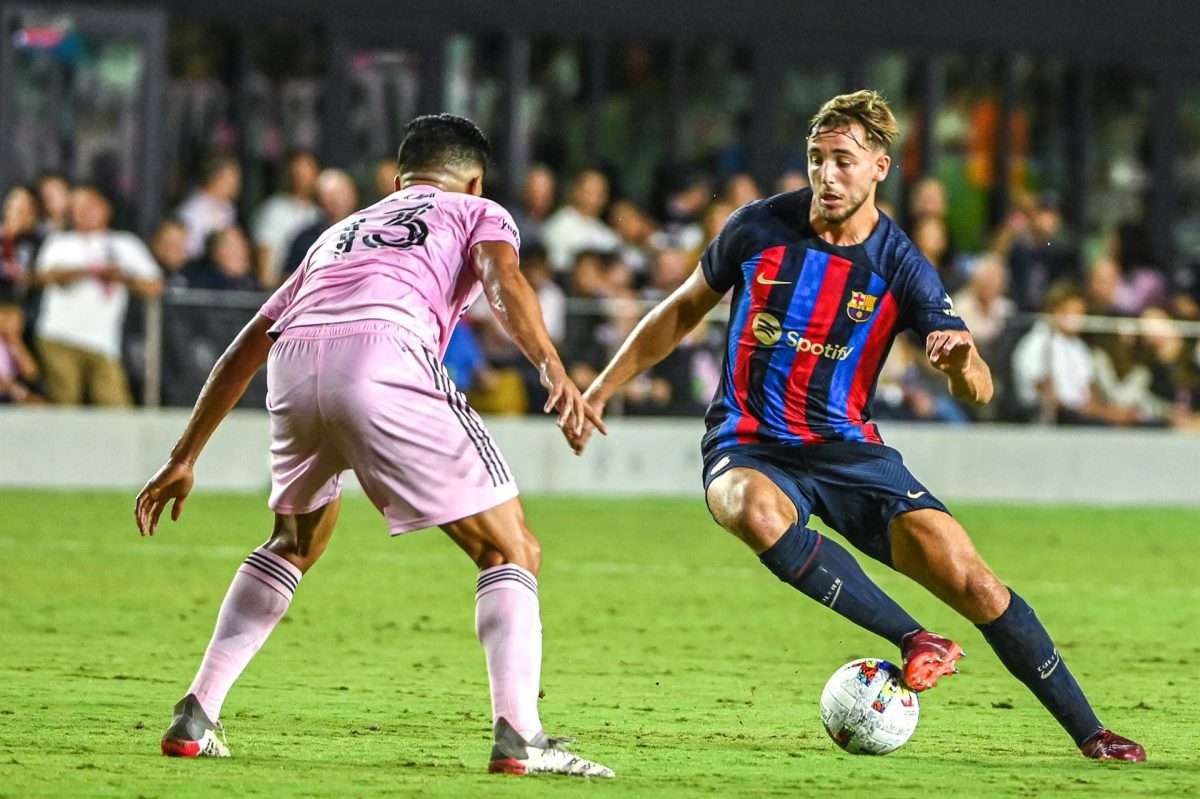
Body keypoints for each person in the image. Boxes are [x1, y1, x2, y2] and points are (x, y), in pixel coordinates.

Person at [565, 90, 1144, 762]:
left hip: (850, 452)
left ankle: (1090, 730)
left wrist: (959, 364)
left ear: (879, 168)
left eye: (842, 160)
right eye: (816, 159)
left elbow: (980, 386)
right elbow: (679, 310)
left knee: (976, 582)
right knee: (750, 508)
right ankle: (914, 637)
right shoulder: (757, 227)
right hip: (748, 441)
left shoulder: (901, 264)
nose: (826, 175)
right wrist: (601, 388)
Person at [134, 113, 614, 778]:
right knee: (511, 546)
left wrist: (184, 454)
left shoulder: (339, 231)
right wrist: (551, 362)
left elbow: (250, 339)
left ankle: (196, 712)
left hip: (296, 364)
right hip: (385, 351)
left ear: (397, 180)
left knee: (294, 541)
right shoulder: (477, 211)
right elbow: (501, 274)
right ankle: (520, 734)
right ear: (474, 180)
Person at [33, 185, 163, 405]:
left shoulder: (125, 243)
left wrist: (122, 277)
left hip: (104, 343)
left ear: (105, 208)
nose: (84, 212)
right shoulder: (61, 242)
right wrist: (89, 271)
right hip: (59, 336)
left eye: (90, 206)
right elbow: (44, 276)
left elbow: (155, 285)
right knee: (64, 404)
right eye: (77, 208)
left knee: (115, 405)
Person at [251, 151, 321, 288]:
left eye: (307, 170)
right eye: (298, 171)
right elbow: (265, 250)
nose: (302, 176)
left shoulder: (318, 213)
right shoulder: (275, 209)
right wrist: (268, 288)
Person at [281, 169, 359, 279]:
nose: (337, 200)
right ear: (319, 200)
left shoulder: (372, 230)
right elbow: (289, 282)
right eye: (330, 196)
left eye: (341, 193)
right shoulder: (305, 239)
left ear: (353, 194)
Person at [541, 168, 619, 272]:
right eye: (589, 191)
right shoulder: (558, 225)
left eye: (600, 192)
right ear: (576, 191)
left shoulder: (609, 235)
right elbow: (556, 265)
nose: (595, 198)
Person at [177, 156, 241, 259]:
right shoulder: (192, 210)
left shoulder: (228, 208)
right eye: (232, 178)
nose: (236, 184)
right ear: (216, 178)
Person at [183, 226, 259, 291]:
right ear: (217, 252)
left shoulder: (252, 285)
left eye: (244, 247)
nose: (244, 252)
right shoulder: (202, 288)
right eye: (235, 247)